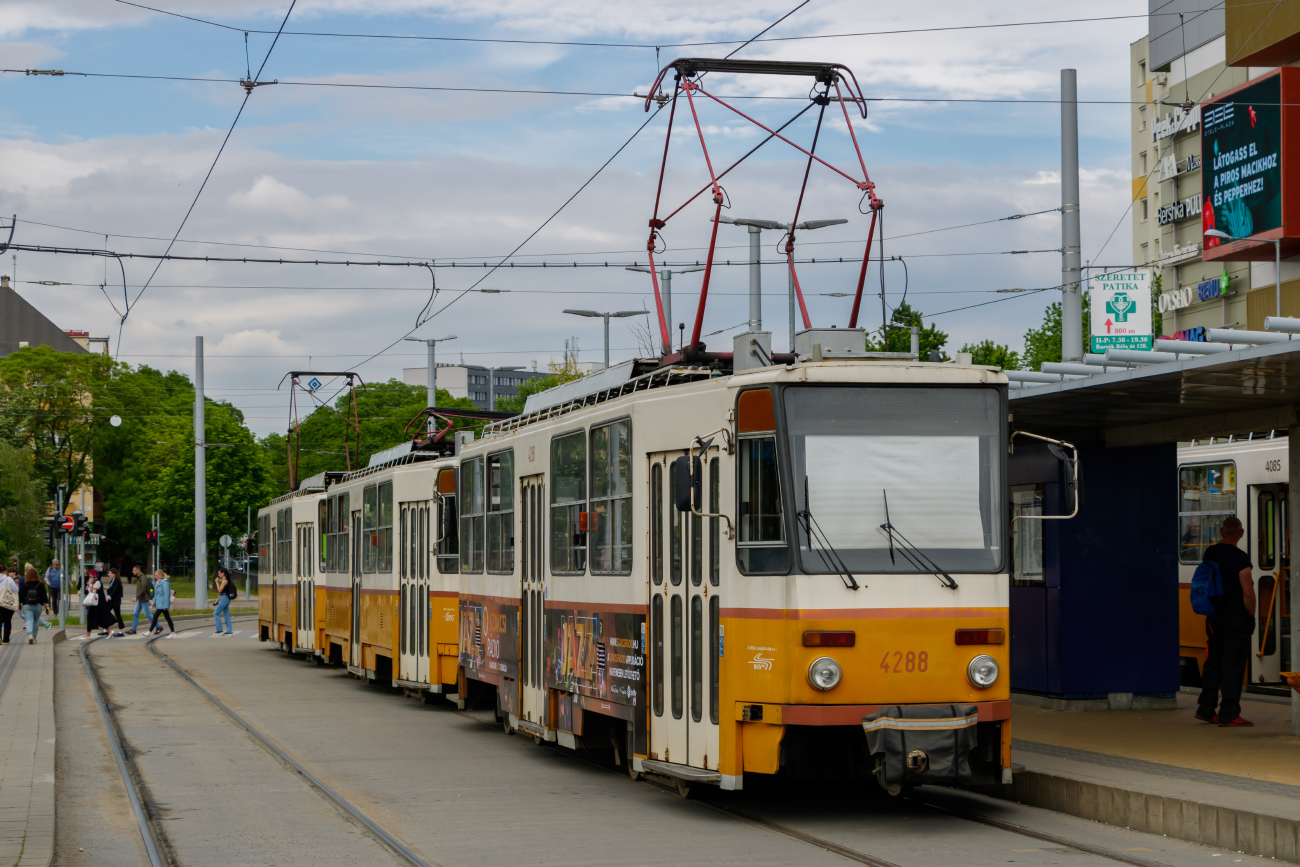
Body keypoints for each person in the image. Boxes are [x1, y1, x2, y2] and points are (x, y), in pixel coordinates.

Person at [1196, 516, 1256, 728]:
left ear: (1221, 532)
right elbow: (1248, 594)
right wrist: (1251, 615)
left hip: (1214, 617)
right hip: (1236, 619)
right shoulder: (1241, 558)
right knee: (1233, 665)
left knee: (1213, 662)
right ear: (1241, 534)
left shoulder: (1210, 553)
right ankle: (1229, 714)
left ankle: (1206, 710)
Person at [20, 565, 49, 644]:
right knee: (35, 621)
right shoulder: (40, 585)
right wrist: (47, 606)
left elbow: (20, 595)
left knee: (29, 620)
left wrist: (20, 603)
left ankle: (30, 635)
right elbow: (44, 597)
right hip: (38, 605)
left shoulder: (24, 585)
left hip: (27, 605)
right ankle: (34, 637)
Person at [127, 565, 153, 635]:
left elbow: (143, 589)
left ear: (138, 570)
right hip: (140, 599)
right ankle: (133, 629)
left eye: (134, 570)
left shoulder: (143, 577)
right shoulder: (139, 578)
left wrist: (136, 597)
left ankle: (159, 626)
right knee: (135, 614)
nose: (132, 572)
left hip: (143, 599)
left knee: (147, 614)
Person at [149, 570, 175, 635]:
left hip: (163, 604)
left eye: (156, 575)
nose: (155, 577)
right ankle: (173, 632)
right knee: (168, 618)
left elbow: (166, 594)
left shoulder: (164, 582)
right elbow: (156, 594)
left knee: (155, 616)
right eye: (155, 575)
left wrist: (166, 605)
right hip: (160, 603)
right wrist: (154, 603)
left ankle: (149, 631)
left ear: (160, 575)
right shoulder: (158, 582)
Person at [213, 567, 237, 635]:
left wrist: (216, 582)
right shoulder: (226, 581)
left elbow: (219, 590)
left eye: (219, 574)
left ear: (223, 573)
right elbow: (222, 593)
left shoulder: (224, 581)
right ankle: (229, 630)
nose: (218, 575)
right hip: (225, 598)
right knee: (226, 614)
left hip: (224, 599)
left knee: (216, 613)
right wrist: (217, 601)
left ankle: (219, 629)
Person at [103, 568, 125, 636]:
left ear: (114, 574)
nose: (109, 574)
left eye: (110, 573)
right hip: (112, 600)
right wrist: (106, 588)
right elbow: (111, 589)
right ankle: (105, 629)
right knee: (105, 612)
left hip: (115, 601)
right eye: (108, 573)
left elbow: (114, 591)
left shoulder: (117, 581)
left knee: (117, 615)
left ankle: (120, 631)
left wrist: (108, 597)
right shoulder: (112, 581)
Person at [0, 564, 18, 643]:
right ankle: (6, 639)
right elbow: (16, 590)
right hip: (7, 602)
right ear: (5, 571)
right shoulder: (8, 579)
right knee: (7, 621)